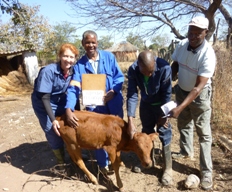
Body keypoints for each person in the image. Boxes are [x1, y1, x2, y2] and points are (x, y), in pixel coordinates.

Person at [65, 30, 124, 174]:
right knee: (98, 136)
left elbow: (119, 78)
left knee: (117, 135)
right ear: (83, 44)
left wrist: (113, 91)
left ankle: (115, 160)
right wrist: (68, 108)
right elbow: (74, 87)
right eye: (87, 42)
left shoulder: (109, 57)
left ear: (97, 43)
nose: (90, 45)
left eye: (93, 42)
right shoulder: (79, 65)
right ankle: (103, 166)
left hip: (114, 103)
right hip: (95, 108)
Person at [169, 16, 216, 191]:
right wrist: (170, 76)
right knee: (184, 124)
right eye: (191, 31)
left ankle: (206, 173)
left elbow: (197, 88)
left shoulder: (208, 55)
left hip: (200, 95)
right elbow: (175, 63)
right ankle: (186, 151)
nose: (193, 36)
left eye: (198, 33)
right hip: (181, 89)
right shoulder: (182, 44)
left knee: (203, 134)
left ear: (206, 33)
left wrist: (179, 107)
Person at [126, 50, 173, 186]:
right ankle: (147, 161)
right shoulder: (133, 70)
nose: (149, 74)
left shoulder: (164, 67)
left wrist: (165, 115)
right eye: (146, 72)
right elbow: (132, 94)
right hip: (146, 104)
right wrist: (130, 119)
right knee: (146, 131)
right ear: (139, 65)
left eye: (152, 71)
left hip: (161, 105)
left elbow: (167, 93)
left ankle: (167, 168)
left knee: (164, 132)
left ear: (155, 63)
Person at [31, 43, 79, 167]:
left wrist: (76, 111)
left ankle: (74, 154)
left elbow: (74, 90)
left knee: (70, 124)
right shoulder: (48, 71)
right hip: (43, 102)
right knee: (53, 130)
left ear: (75, 59)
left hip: (61, 100)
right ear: (59, 56)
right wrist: (53, 120)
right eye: (65, 56)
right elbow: (44, 97)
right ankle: (61, 162)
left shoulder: (73, 71)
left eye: (71, 57)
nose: (68, 60)